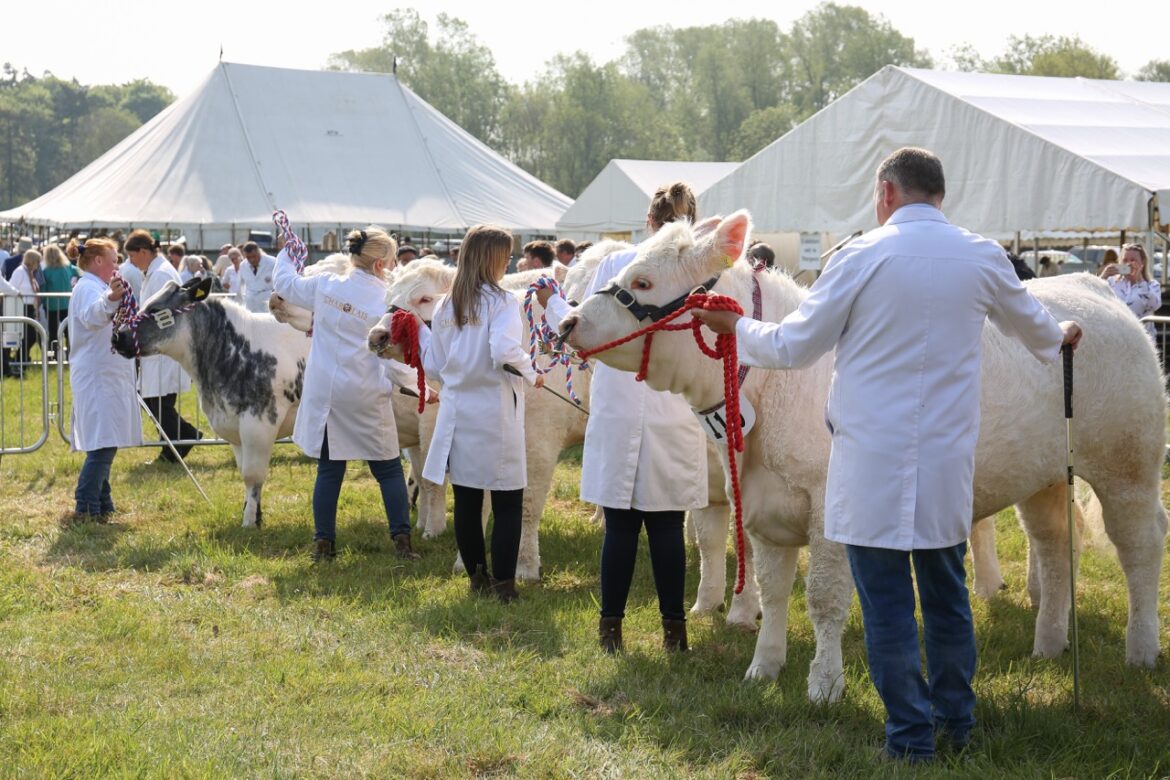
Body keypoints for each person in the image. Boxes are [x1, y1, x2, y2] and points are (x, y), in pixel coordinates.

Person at [694, 147, 1082, 763]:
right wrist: (1063, 335)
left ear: (885, 194)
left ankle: (908, 736)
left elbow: (793, 346)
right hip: (946, 460)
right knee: (946, 594)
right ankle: (956, 721)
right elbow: (1040, 335)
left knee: (887, 605)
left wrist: (733, 326)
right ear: (939, 195)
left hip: (870, 460)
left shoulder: (860, 256)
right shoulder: (982, 257)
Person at [538, 182, 708, 653]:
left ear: (648, 222)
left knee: (620, 527)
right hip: (669, 403)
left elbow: (580, 324)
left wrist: (551, 300)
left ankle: (610, 629)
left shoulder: (616, 263)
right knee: (668, 527)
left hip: (619, 397)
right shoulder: (696, 270)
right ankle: (674, 632)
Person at [273, 226, 421, 562]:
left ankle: (324, 545)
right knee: (387, 470)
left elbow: (285, 285)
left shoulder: (326, 284)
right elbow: (392, 354)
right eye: (394, 260)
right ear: (381, 265)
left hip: (327, 390)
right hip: (366, 391)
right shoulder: (387, 300)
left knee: (330, 469)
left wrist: (287, 253)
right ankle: (402, 542)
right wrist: (417, 387)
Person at [412, 224, 540, 601]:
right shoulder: (503, 301)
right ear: (494, 259)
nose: (511, 262)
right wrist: (534, 373)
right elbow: (503, 350)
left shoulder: (445, 305)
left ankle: (477, 577)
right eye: (507, 255)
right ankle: (504, 584)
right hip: (494, 410)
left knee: (467, 499)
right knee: (506, 500)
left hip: (457, 411)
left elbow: (433, 366)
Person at [65, 237, 143, 522]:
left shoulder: (95, 286)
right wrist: (111, 298)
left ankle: (103, 504)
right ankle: (86, 506)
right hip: (97, 375)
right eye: (114, 259)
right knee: (102, 444)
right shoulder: (87, 287)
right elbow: (91, 316)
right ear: (98, 261)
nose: (117, 264)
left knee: (105, 440)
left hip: (106, 373)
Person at [124, 230, 202, 462]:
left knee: (155, 400)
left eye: (132, 256)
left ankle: (184, 437)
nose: (131, 262)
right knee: (155, 399)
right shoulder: (155, 271)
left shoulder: (160, 274)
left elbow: (162, 313)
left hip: (163, 347)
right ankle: (172, 448)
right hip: (157, 347)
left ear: (144, 252)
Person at [1101, 243, 1161, 338]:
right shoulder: (1112, 282)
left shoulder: (1152, 285)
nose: (1128, 263)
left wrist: (1139, 280)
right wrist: (1102, 277)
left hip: (1142, 339)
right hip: (1116, 337)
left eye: (1133, 260)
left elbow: (1154, 305)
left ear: (1143, 262)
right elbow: (1092, 296)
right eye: (1125, 260)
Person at [41, 243, 80, 357]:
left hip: (52, 304)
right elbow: (80, 273)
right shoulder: (68, 267)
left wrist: (43, 302)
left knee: (52, 332)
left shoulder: (46, 271)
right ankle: (70, 354)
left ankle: (52, 356)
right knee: (69, 331)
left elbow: (43, 289)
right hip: (67, 303)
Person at [9, 248, 44, 367]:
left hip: (29, 308)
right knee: (29, 336)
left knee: (31, 336)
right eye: (37, 261)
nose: (38, 265)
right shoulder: (19, 272)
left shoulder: (30, 273)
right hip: (21, 307)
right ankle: (20, 360)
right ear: (32, 261)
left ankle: (21, 359)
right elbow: (11, 287)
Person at [238, 241, 277, 313]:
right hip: (250, 303)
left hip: (268, 300)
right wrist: (240, 303)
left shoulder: (272, 262)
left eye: (254, 256)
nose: (252, 260)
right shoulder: (243, 265)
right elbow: (240, 286)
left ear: (259, 252)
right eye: (248, 257)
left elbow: (280, 282)